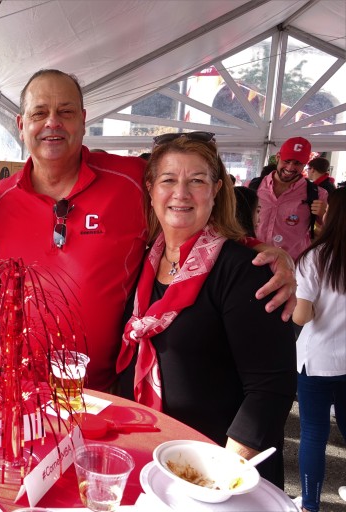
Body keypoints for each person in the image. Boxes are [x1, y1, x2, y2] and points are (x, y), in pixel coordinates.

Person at [0, 69, 297, 392]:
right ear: (21, 125)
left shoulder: (131, 180)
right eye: (40, 113)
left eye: (65, 112)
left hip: (106, 395)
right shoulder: (1, 201)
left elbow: (188, 213)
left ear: (82, 120)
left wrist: (258, 250)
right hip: (22, 391)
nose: (53, 122)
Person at [117, 133, 296, 488]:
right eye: (168, 180)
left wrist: (219, 475)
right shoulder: (139, 261)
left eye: (196, 181)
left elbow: (270, 387)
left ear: (215, 191)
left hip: (212, 469)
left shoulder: (245, 270)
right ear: (151, 190)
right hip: (148, 457)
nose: (181, 193)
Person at [292, 187, 346, 512]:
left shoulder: (316, 257)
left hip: (318, 359)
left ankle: (310, 504)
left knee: (313, 432)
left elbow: (302, 315)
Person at [256, 136, 328, 260]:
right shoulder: (253, 187)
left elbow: (330, 232)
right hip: (252, 262)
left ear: (305, 164)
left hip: (292, 266)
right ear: (278, 157)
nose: (290, 168)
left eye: (297, 163)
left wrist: (324, 215)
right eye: (287, 161)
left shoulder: (318, 194)